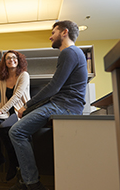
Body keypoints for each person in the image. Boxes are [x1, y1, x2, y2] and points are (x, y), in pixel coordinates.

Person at [9, 20, 88, 190]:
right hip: (66, 105)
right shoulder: (75, 53)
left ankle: (32, 183)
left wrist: (26, 106)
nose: (50, 37)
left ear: (64, 32)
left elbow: (54, 87)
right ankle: (25, 178)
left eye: (54, 32)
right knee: (24, 131)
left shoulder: (69, 53)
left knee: (16, 131)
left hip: (63, 106)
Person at [0, 50, 30, 181]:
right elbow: (3, 101)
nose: (11, 60)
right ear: (5, 62)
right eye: (8, 58)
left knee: (4, 128)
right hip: (8, 112)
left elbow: (17, 96)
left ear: (18, 60)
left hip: (21, 111)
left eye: (14, 57)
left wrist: (1, 111)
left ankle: (13, 163)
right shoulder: (3, 80)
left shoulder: (24, 75)